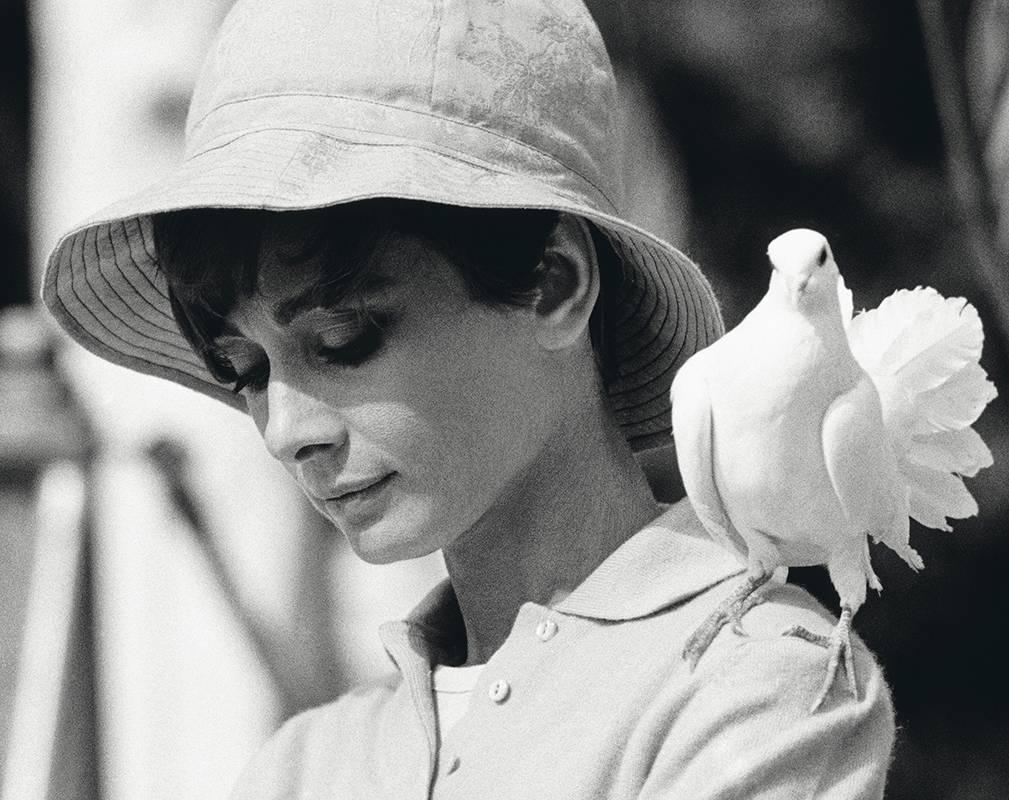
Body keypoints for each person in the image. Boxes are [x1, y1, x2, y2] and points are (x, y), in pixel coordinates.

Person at [41, 0, 895, 797]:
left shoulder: (755, 683)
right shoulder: (307, 764)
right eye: (245, 370)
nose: (284, 431)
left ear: (553, 285)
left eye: (343, 341)